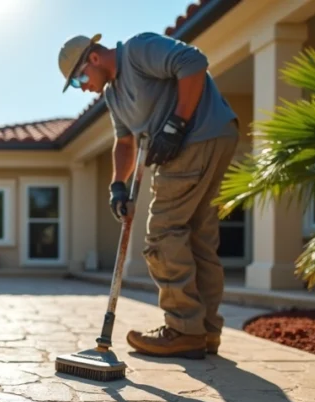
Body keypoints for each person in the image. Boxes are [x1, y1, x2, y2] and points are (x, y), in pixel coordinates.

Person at [57, 31, 239, 359]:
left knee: (162, 233)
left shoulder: (138, 50)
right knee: (198, 237)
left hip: (197, 137)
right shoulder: (113, 96)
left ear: (94, 58)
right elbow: (125, 142)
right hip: (205, 138)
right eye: (75, 84)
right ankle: (205, 332)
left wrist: (176, 125)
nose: (82, 87)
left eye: (79, 78)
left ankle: (183, 329)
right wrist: (117, 186)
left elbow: (193, 62)